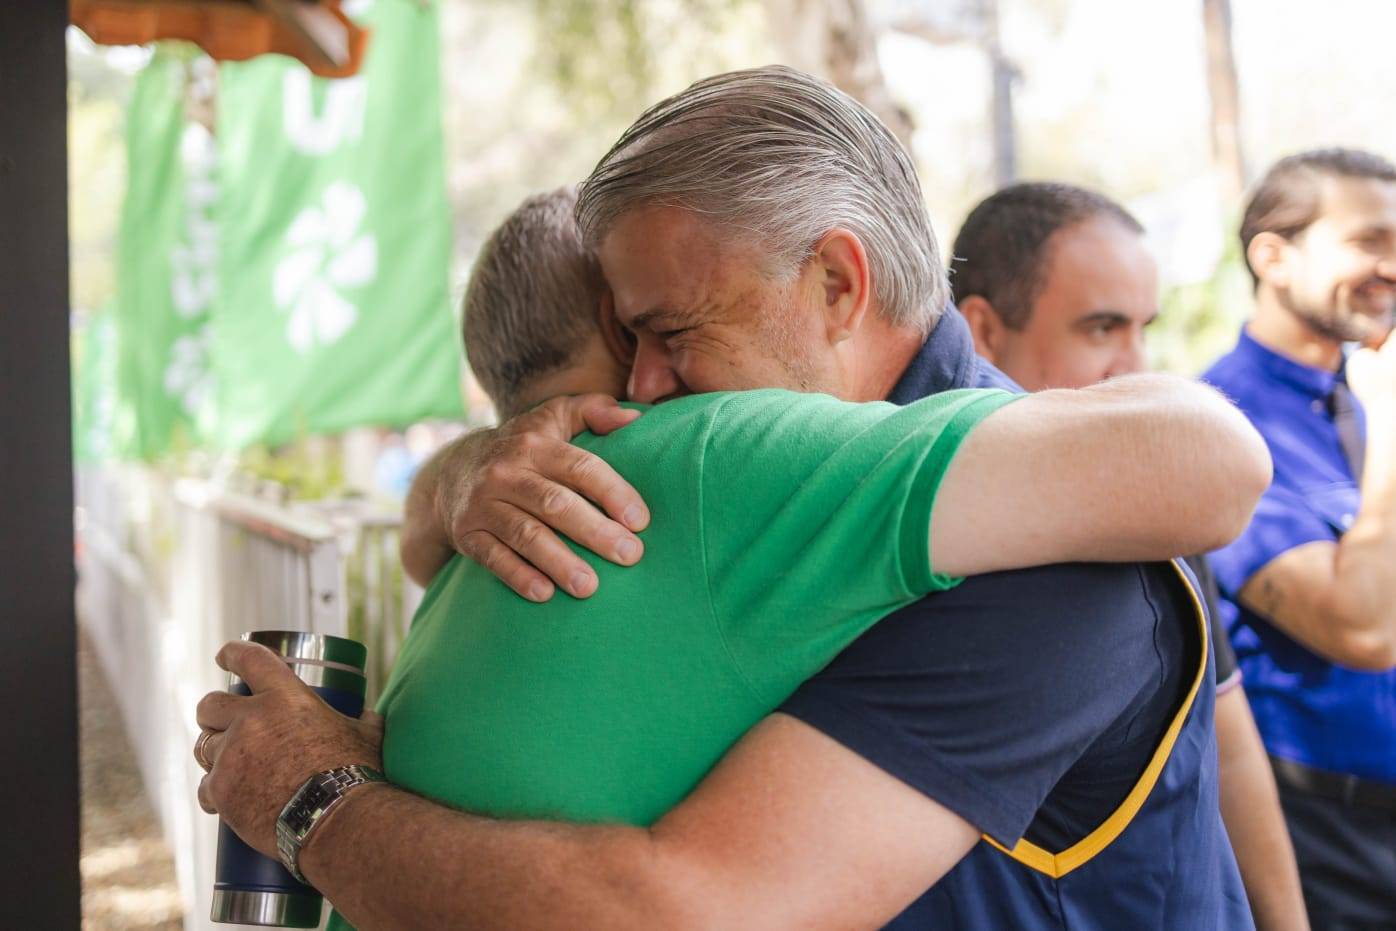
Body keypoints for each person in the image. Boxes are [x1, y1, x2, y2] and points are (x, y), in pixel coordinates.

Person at [197, 68, 1268, 929]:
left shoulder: (1046, 557)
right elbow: (443, 550)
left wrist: (314, 803)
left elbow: (695, 907)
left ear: (838, 286)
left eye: (670, 335)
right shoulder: (811, 476)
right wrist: (476, 468)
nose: (646, 395)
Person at [952, 180, 1307, 931]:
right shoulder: (905, 522)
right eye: (1101, 328)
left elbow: (1232, 753)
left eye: (1144, 327)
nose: (1135, 363)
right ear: (980, 329)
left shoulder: (1151, 503)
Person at [1201, 148, 1396, 930]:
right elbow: (1361, 624)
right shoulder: (1220, 422)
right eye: (1371, 240)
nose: (1393, 265)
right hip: (1331, 835)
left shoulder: (1361, 398)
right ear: (1273, 257)